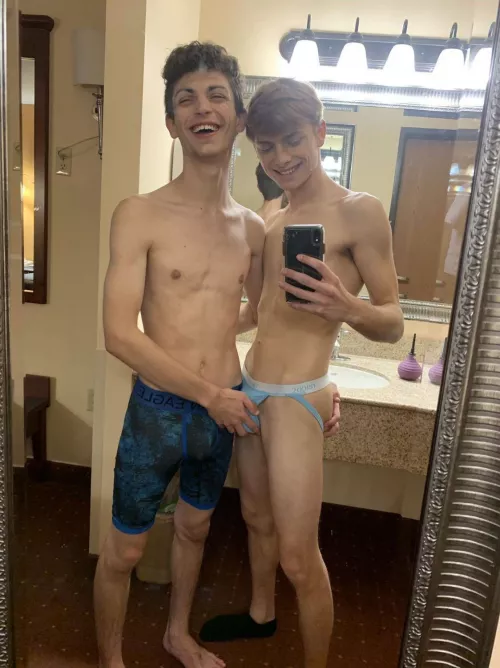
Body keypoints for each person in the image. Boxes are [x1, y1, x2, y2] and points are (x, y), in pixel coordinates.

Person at [94, 46, 340, 668]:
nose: (202, 108)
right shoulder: (139, 213)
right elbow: (119, 334)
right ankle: (111, 658)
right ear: (172, 123)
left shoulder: (254, 229)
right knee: (124, 551)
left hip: (222, 410)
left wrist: (319, 381)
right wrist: (209, 395)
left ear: (238, 119)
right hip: (159, 410)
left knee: (196, 529)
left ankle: (177, 635)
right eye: (186, 99)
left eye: (216, 96)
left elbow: (272, 316)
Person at [200, 78, 404, 668]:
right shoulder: (271, 216)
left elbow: (392, 320)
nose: (281, 157)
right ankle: (261, 614)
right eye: (266, 147)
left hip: (296, 397)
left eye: (292, 140)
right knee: (254, 518)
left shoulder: (359, 211)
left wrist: (348, 308)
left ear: (320, 133)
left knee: (298, 555)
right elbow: (261, 311)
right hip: (252, 388)